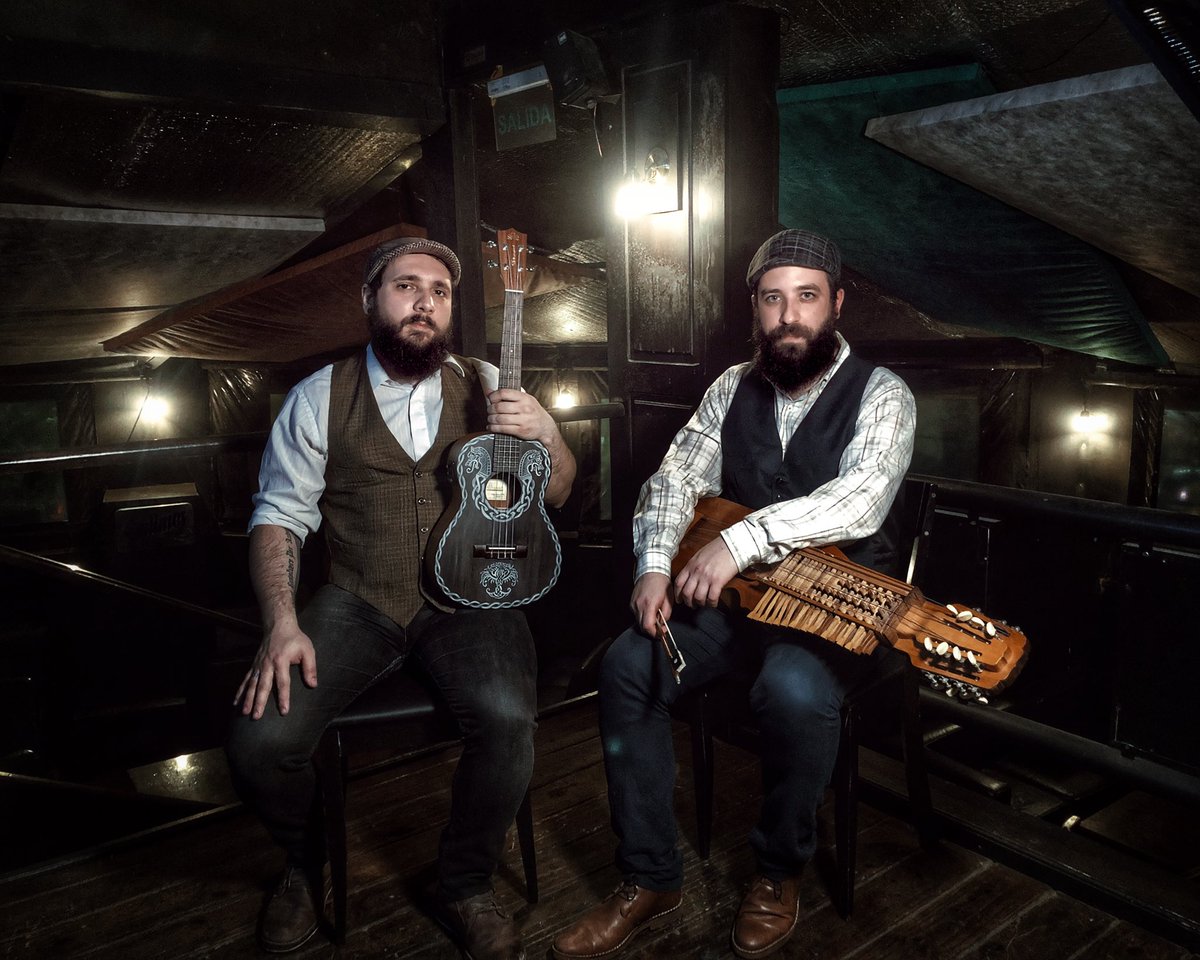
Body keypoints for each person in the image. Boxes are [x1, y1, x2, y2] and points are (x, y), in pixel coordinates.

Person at [552, 228, 915, 960]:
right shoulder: (730, 386)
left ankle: (779, 872)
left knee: (792, 692)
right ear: (754, 309)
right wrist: (654, 565)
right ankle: (650, 875)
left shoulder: (884, 395)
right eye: (773, 299)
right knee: (628, 665)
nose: (789, 316)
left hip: (837, 614)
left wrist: (738, 540)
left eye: (806, 299)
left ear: (836, 304)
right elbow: (675, 478)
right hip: (740, 608)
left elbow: (861, 500)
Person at [226, 236, 576, 959]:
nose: (425, 302)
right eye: (406, 286)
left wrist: (546, 430)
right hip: (359, 597)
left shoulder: (484, 381)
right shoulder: (318, 396)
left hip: (474, 597)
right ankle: (304, 864)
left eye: (440, 291)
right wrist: (282, 625)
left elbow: (560, 489)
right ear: (371, 300)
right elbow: (278, 517)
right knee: (262, 741)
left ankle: (465, 884)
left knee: (510, 720)